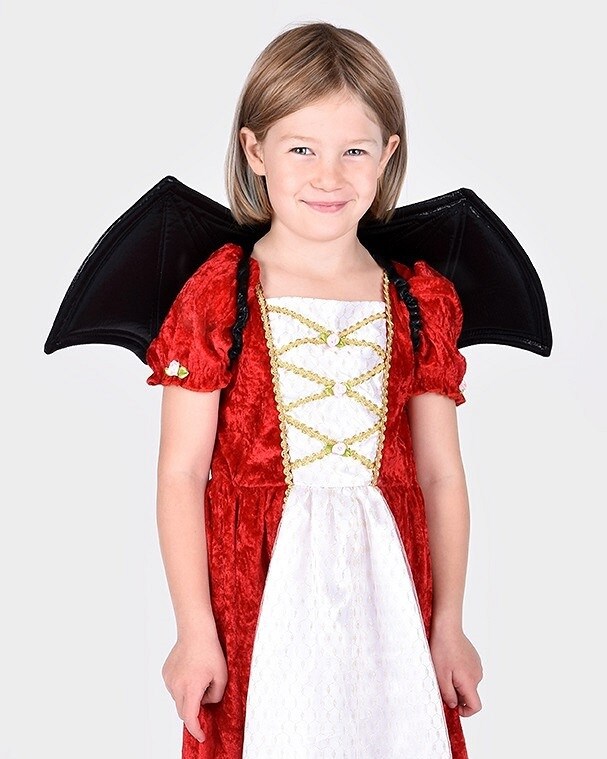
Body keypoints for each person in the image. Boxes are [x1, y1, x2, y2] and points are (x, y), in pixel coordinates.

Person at [146, 20, 483, 759]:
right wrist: (194, 629)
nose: (328, 176)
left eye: (353, 151)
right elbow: (181, 473)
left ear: (387, 155)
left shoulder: (417, 301)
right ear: (254, 151)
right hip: (258, 591)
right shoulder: (221, 294)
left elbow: (440, 475)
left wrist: (449, 622)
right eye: (301, 149)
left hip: (391, 593)